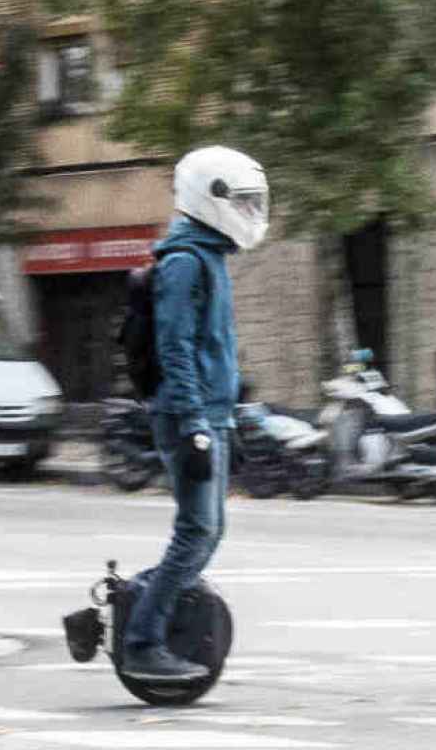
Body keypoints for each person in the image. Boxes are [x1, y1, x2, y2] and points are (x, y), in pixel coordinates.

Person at [122, 146, 269, 683]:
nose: (252, 214)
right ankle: (141, 640)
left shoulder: (209, 257)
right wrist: (194, 427)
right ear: (210, 199)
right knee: (195, 530)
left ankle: (138, 602)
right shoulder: (184, 263)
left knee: (210, 532)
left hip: (213, 413)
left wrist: (236, 413)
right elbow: (176, 348)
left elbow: (214, 348)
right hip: (190, 416)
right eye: (244, 203)